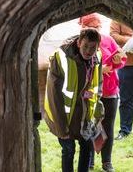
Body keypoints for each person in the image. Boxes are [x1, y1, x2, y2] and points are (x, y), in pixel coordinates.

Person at [43, 28, 103, 172]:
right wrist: (62, 127)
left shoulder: (97, 58)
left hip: (84, 115)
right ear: (78, 43)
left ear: (98, 47)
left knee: (87, 146)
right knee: (69, 149)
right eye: (86, 46)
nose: (89, 51)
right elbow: (54, 95)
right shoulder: (61, 57)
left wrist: (97, 114)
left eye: (93, 48)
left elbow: (98, 86)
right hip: (63, 116)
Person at [79, 13, 127, 172]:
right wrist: (99, 70)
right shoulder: (79, 43)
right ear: (84, 27)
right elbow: (78, 68)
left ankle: (107, 162)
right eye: (91, 27)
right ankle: (90, 161)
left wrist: (117, 61)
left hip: (110, 90)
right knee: (91, 125)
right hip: (90, 92)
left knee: (108, 126)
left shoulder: (108, 40)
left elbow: (122, 58)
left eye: (97, 26)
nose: (95, 30)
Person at [110, 20, 133, 140]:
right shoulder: (118, 18)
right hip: (126, 65)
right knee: (126, 99)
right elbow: (113, 36)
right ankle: (125, 130)